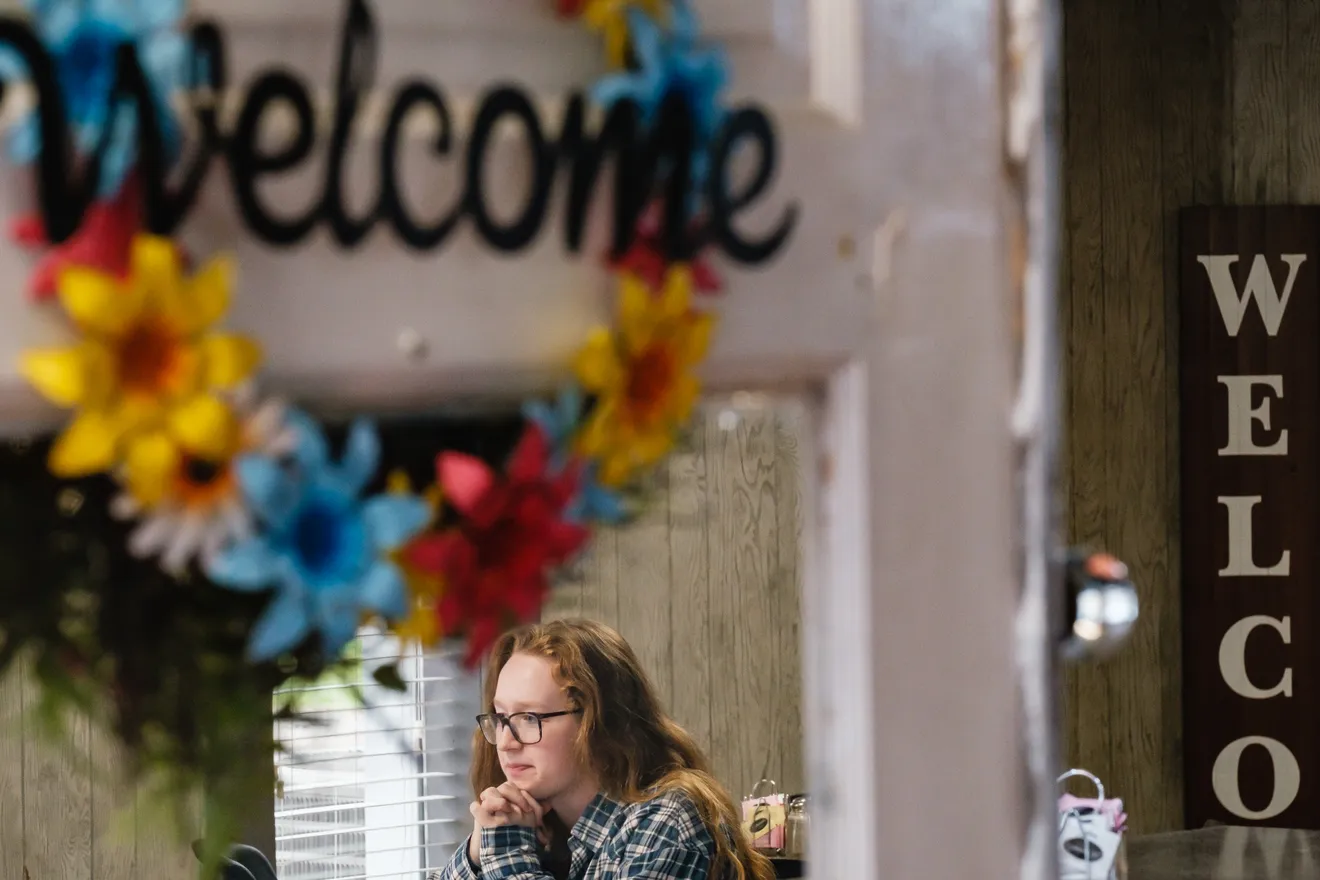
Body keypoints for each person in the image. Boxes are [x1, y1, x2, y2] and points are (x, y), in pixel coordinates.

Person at [434, 617, 776, 880]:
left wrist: (506, 853)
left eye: (529, 717)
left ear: (599, 722)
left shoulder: (667, 823)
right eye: (501, 717)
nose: (506, 742)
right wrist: (480, 853)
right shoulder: (533, 821)